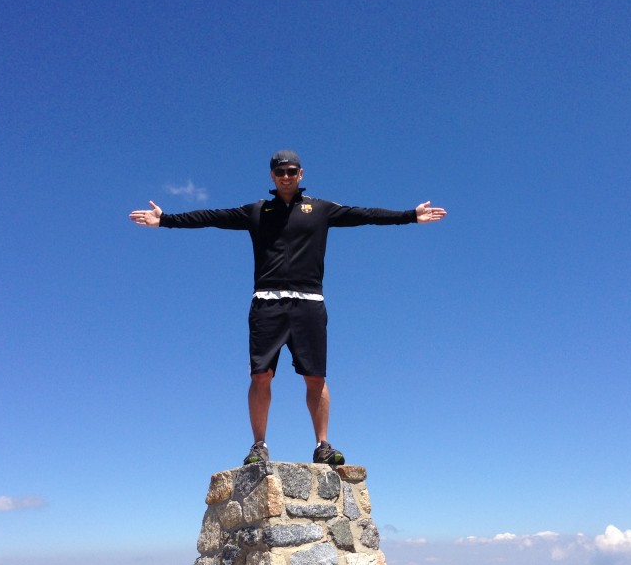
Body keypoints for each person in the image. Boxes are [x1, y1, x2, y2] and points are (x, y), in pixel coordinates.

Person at [129, 150, 447, 467]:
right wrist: (165, 220)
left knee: (315, 377)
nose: (285, 177)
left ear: (301, 174)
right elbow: (212, 217)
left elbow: (364, 215)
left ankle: (323, 445)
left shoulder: (321, 209)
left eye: (291, 171)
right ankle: (258, 445)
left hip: (309, 303)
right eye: (280, 172)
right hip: (267, 302)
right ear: (272, 176)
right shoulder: (256, 211)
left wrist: (410, 215)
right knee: (261, 375)